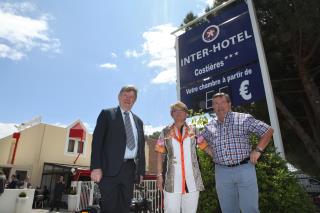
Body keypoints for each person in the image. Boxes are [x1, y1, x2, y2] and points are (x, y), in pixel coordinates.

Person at [198, 92, 274, 213]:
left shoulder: (243, 118)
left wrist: (258, 150)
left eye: (223, 102)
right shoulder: (209, 126)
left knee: (250, 209)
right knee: (228, 210)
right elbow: (198, 138)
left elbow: (268, 131)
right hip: (221, 172)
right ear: (213, 107)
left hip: (245, 169)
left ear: (229, 104)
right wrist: (208, 150)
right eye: (216, 103)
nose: (220, 106)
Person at [90, 85, 146, 213]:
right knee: (109, 208)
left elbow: (141, 149)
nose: (128, 99)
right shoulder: (106, 114)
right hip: (109, 170)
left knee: (125, 208)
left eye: (132, 97)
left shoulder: (139, 121)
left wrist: (141, 171)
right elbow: (97, 142)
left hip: (130, 170)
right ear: (119, 97)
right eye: (125, 95)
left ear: (135, 101)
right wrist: (95, 167)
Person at [155, 101, 212, 213]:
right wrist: (159, 175)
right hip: (172, 180)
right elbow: (159, 152)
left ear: (186, 114)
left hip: (192, 181)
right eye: (175, 111)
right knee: (171, 210)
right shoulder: (165, 131)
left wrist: (218, 157)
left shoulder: (194, 130)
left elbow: (204, 146)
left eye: (182, 110)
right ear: (172, 114)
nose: (179, 113)